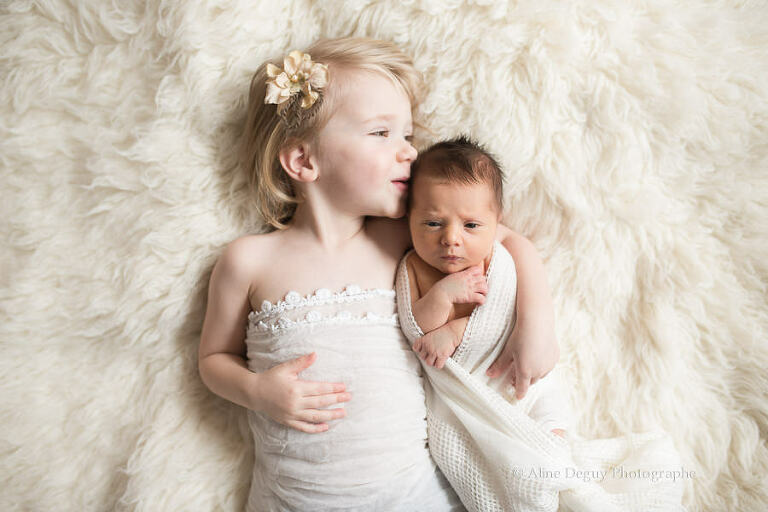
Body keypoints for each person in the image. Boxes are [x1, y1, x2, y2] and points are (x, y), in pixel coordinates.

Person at [197, 37, 559, 511]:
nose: (409, 153)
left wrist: (536, 323)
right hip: (293, 498)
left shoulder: (404, 239)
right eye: (381, 134)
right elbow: (213, 359)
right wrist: (257, 391)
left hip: (414, 495)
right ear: (304, 160)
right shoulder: (249, 261)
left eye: (407, 136)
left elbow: (509, 242)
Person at [399, 136, 570, 439]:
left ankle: (554, 440)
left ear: (495, 222)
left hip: (518, 372)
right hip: (470, 396)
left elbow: (505, 317)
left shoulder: (496, 258)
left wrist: (454, 332)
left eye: (471, 226)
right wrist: (443, 295)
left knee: (546, 400)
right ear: (409, 218)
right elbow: (419, 328)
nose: (451, 238)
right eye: (433, 223)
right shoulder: (414, 266)